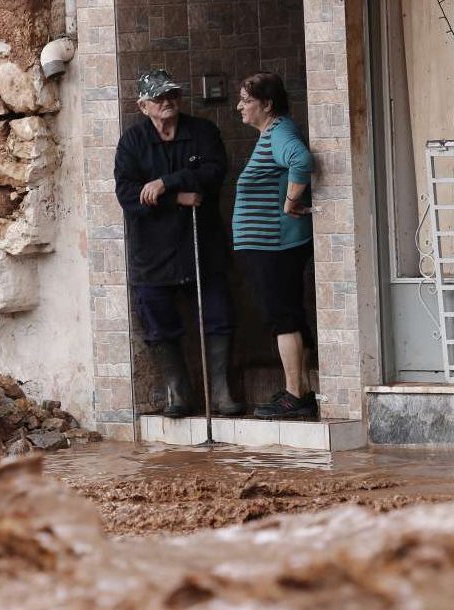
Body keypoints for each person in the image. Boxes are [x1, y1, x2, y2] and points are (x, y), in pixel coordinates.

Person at [114, 69, 244, 418]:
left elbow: (215, 173)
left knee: (218, 314)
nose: (167, 101)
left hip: (201, 243)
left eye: (171, 94)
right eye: (158, 98)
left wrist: (166, 182)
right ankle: (177, 391)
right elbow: (128, 196)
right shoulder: (132, 143)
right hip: (153, 251)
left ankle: (221, 391)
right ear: (144, 106)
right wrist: (177, 198)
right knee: (156, 317)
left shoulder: (202, 132)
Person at [233, 71, 318, 419]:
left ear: (267, 105)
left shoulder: (280, 132)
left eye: (247, 100)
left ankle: (296, 394)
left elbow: (301, 160)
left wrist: (290, 202)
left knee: (282, 318)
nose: (240, 106)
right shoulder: (272, 133)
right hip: (268, 246)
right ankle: (300, 390)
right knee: (287, 316)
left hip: (275, 245)